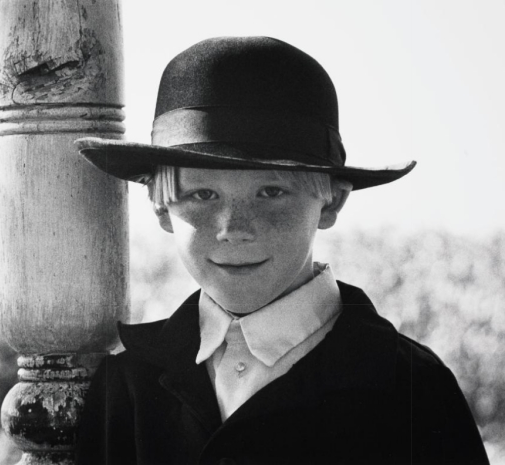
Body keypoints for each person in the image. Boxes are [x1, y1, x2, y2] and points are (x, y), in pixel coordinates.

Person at [74, 36, 489, 465]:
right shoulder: (128, 385)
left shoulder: (409, 388)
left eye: (270, 192)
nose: (233, 229)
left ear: (331, 203)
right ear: (162, 210)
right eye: (202, 195)